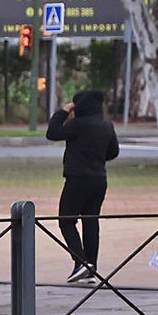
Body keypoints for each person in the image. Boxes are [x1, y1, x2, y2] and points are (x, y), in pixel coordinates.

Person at [46, 89, 120, 283]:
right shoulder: (106, 125)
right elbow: (113, 152)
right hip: (99, 179)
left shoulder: (78, 125)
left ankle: (81, 263)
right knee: (90, 221)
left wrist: (62, 112)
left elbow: (52, 133)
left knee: (66, 220)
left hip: (77, 178)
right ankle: (90, 269)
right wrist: (96, 157)